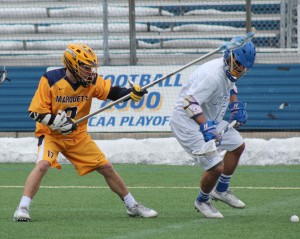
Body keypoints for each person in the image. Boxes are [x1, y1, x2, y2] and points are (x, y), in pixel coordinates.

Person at [13, 43, 158, 222]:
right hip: (51, 134)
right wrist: (58, 122)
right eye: (86, 67)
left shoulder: (92, 81)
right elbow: (35, 112)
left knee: (106, 167)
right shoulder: (50, 80)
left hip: (77, 135)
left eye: (91, 67)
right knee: (43, 165)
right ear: (72, 64)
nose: (90, 71)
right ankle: (23, 207)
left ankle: (132, 206)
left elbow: (112, 92)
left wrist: (130, 93)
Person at [170, 37, 256, 218]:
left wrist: (235, 107)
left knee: (237, 146)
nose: (239, 71)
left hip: (208, 119)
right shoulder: (211, 76)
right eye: (238, 65)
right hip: (187, 123)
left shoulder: (229, 69)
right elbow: (188, 102)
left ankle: (221, 190)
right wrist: (205, 126)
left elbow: (231, 86)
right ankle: (202, 201)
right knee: (216, 167)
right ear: (230, 57)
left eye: (243, 68)